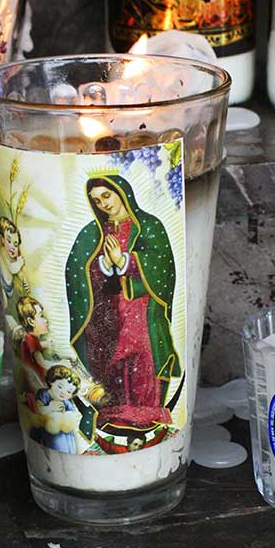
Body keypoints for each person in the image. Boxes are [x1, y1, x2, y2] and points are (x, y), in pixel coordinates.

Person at [65, 174, 180, 438]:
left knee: (141, 355)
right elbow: (79, 269)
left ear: (121, 192)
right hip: (107, 310)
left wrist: (126, 261)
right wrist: (104, 265)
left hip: (141, 308)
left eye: (107, 196)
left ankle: (145, 412)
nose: (103, 204)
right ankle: (115, 412)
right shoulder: (93, 232)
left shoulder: (149, 226)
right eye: (96, 200)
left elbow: (162, 267)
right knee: (112, 358)